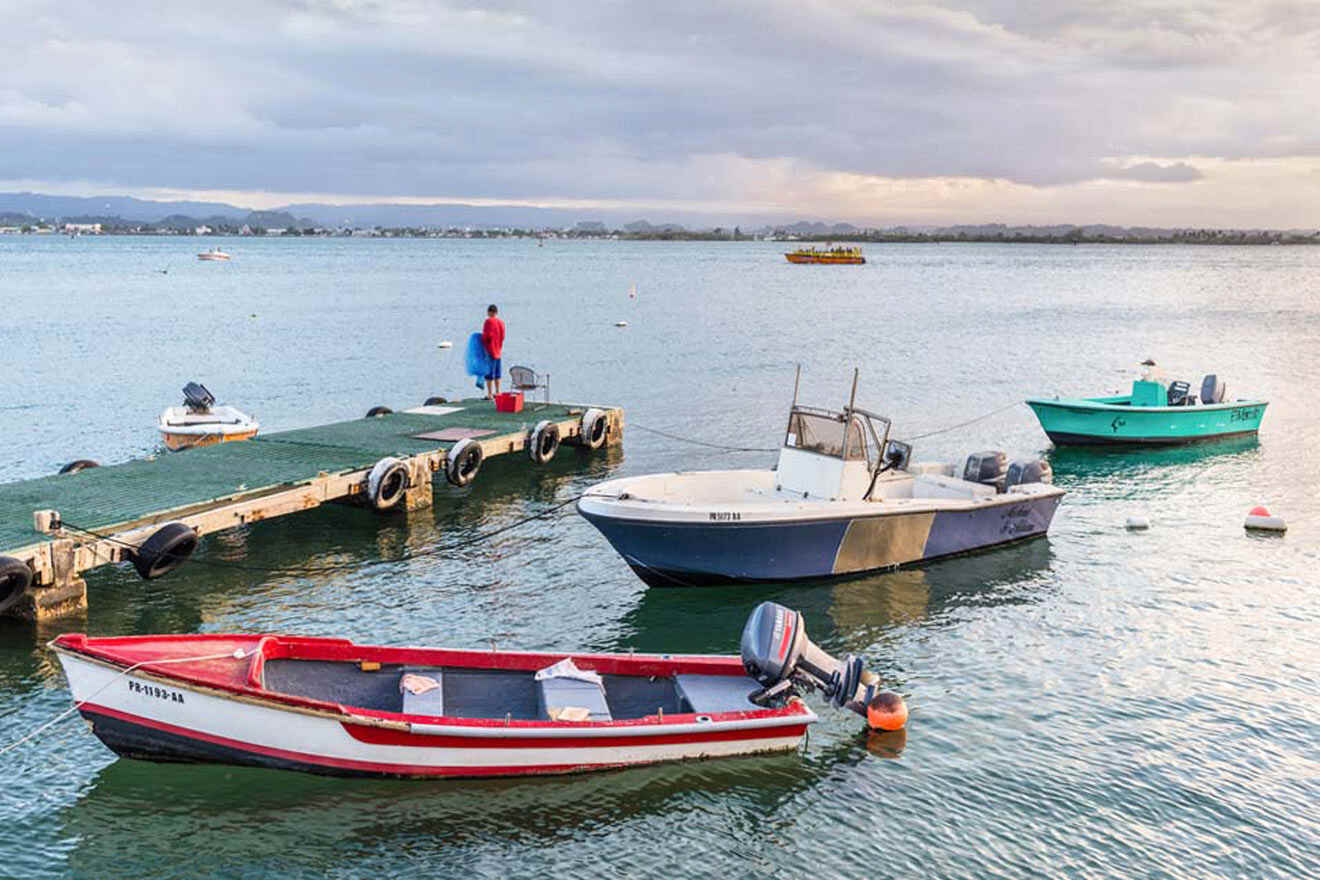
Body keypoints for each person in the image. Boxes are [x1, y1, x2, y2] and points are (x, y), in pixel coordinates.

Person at [482, 304, 506, 399]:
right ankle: (498, 392)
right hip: (498, 350)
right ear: (497, 312)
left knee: (489, 373)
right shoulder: (501, 323)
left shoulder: (488, 321)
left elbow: (487, 336)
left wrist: (482, 342)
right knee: (497, 372)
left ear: (489, 312)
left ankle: (489, 393)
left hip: (490, 350)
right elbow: (503, 336)